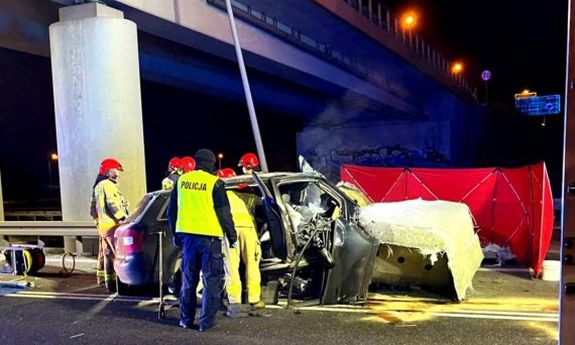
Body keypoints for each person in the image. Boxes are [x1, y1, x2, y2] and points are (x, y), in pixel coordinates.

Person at [167, 149, 238, 332]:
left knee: (189, 282)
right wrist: (232, 237)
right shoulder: (215, 183)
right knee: (211, 282)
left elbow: (171, 212)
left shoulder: (181, 182)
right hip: (210, 240)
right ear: (211, 164)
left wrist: (175, 235)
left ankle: (185, 321)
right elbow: (224, 213)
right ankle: (205, 324)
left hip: (188, 240)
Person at [217, 168, 264, 317]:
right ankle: (254, 300)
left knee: (231, 267)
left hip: (230, 231)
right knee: (252, 264)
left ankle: (234, 301)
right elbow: (262, 209)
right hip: (249, 230)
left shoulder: (220, 194)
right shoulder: (249, 194)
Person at [89, 158, 129, 292]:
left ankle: (109, 282)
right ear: (109, 171)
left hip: (103, 228)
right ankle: (121, 284)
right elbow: (112, 203)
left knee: (107, 255)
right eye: (116, 170)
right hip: (112, 226)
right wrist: (123, 218)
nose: (118, 173)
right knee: (118, 255)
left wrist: (98, 223)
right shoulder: (108, 185)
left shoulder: (98, 186)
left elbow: (92, 209)